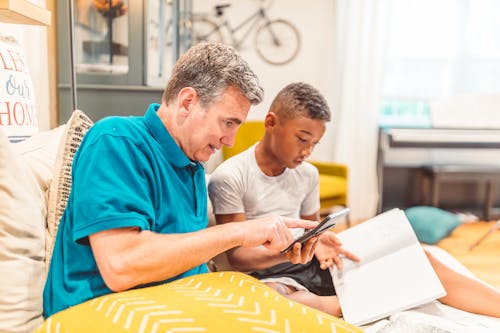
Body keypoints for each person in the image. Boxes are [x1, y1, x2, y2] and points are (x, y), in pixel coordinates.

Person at [42, 42, 320, 318]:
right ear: (188, 102)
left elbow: (185, 259)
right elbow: (121, 265)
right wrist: (240, 232)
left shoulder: (191, 163)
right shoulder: (117, 141)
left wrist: (284, 252)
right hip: (100, 310)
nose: (230, 141)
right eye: (228, 123)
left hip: (175, 301)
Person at [208, 82, 500, 318]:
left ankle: (347, 301)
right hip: (267, 273)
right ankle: (345, 302)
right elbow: (237, 257)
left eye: (314, 143)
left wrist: (321, 241)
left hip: (307, 264)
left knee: (418, 258)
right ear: (271, 123)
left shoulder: (307, 174)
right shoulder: (232, 176)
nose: (307, 151)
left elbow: (313, 230)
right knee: (275, 302)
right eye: (301, 138)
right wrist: (287, 251)